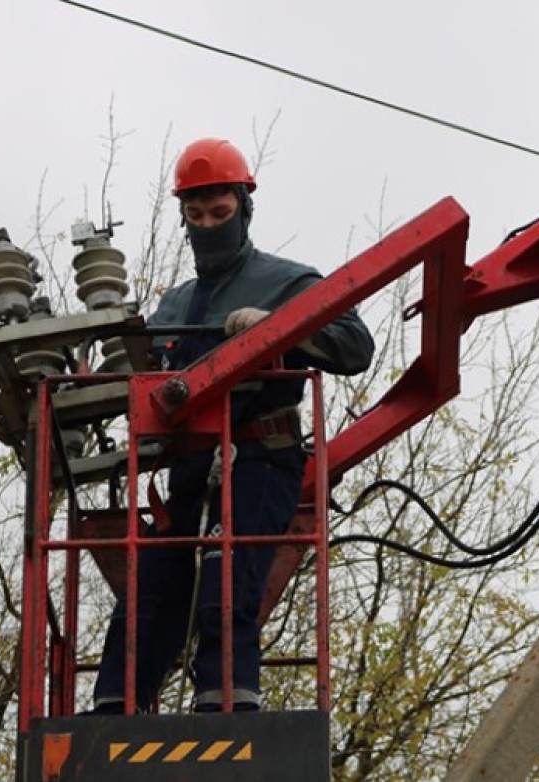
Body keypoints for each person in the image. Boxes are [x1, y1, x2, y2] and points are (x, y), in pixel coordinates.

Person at [91, 137, 374, 714]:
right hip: (191, 469)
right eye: (195, 216)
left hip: (260, 458)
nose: (208, 225)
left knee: (225, 581)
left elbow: (354, 346)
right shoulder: (174, 306)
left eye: (219, 214)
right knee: (147, 595)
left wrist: (282, 330)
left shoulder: (288, 282)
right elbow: (140, 379)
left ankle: (227, 706)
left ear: (244, 208)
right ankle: (113, 711)